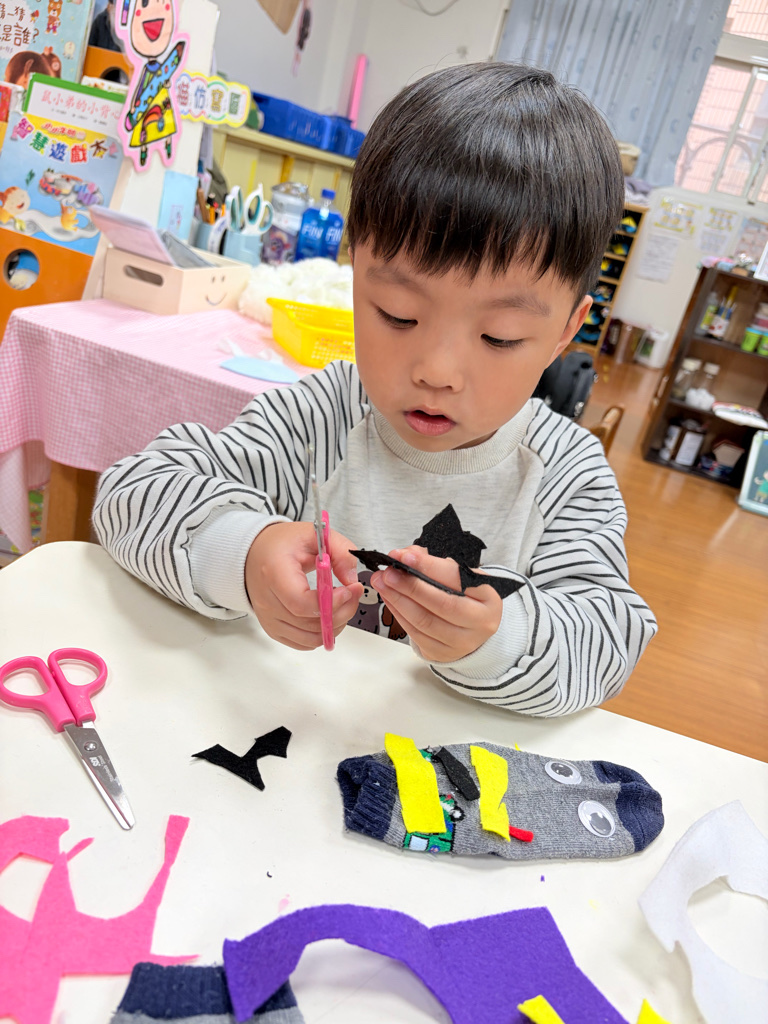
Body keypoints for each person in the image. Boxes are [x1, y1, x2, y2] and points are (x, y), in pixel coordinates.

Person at [93, 63, 657, 716]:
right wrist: (243, 552)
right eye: (398, 314)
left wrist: (496, 639)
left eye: (498, 337)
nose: (437, 371)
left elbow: (609, 639)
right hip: (286, 737)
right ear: (354, 271)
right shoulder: (324, 415)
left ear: (565, 331)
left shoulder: (565, 473)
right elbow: (134, 492)